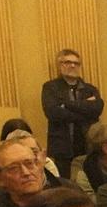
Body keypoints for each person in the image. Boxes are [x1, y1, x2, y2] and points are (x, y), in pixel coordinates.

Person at [39, 49, 102, 177]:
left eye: (76, 63)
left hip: (87, 146)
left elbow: (97, 110)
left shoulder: (90, 89)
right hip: (62, 148)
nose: (73, 66)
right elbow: (53, 113)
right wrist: (84, 111)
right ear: (60, 65)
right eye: (68, 62)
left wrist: (66, 104)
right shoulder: (50, 87)